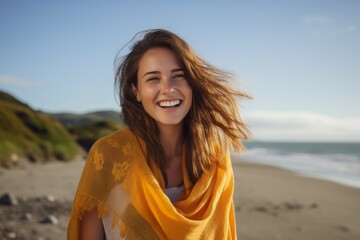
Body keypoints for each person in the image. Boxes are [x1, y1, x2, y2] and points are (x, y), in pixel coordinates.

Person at [67, 29, 250, 240]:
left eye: (178, 76)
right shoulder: (108, 155)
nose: (168, 88)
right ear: (136, 92)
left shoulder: (215, 160)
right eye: (153, 79)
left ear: (192, 83)